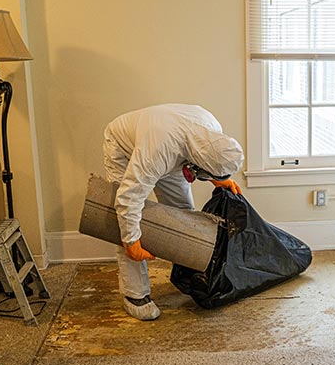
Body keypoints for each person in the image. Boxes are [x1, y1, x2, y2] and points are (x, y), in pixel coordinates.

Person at [103, 103, 244, 320]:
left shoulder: (211, 129)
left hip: (173, 148)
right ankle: (135, 294)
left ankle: (188, 275)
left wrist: (220, 179)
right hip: (123, 147)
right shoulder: (157, 151)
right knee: (128, 221)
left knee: (184, 213)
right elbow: (128, 199)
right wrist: (131, 242)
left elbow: (211, 152)